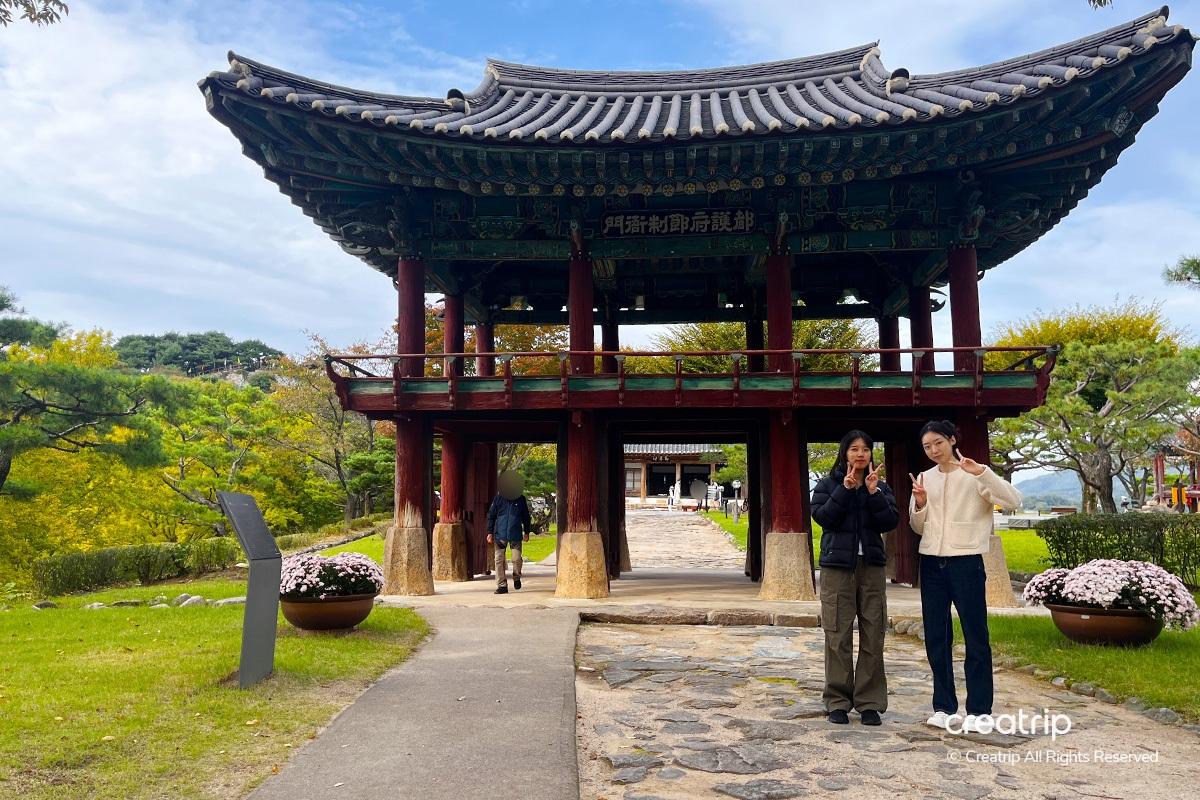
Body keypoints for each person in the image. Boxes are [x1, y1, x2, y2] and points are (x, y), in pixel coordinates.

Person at [909, 420, 1022, 733]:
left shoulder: (974, 473)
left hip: (967, 563)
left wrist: (983, 472)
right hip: (931, 563)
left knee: (976, 636)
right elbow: (918, 527)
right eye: (927, 446)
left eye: (938, 443)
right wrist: (920, 503)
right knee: (937, 637)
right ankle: (944, 707)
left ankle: (980, 710)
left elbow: (1013, 501)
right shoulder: (924, 478)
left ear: (952, 440)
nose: (933, 450)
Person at [811, 429, 899, 726]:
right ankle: (837, 701)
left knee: (874, 632)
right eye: (854, 449)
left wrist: (873, 493)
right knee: (837, 633)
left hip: (871, 567)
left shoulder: (880, 486)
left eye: (865, 449)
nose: (860, 454)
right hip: (837, 567)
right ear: (844, 453)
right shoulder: (827, 485)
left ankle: (869, 702)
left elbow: (890, 521)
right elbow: (823, 518)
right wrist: (845, 490)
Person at [486, 470, 533, 595]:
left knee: (516, 559)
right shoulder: (498, 499)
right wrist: (489, 532)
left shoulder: (521, 499)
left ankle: (516, 576)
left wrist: (527, 531)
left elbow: (526, 517)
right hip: (499, 535)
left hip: (515, 534)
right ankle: (502, 585)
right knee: (498, 560)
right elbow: (491, 516)